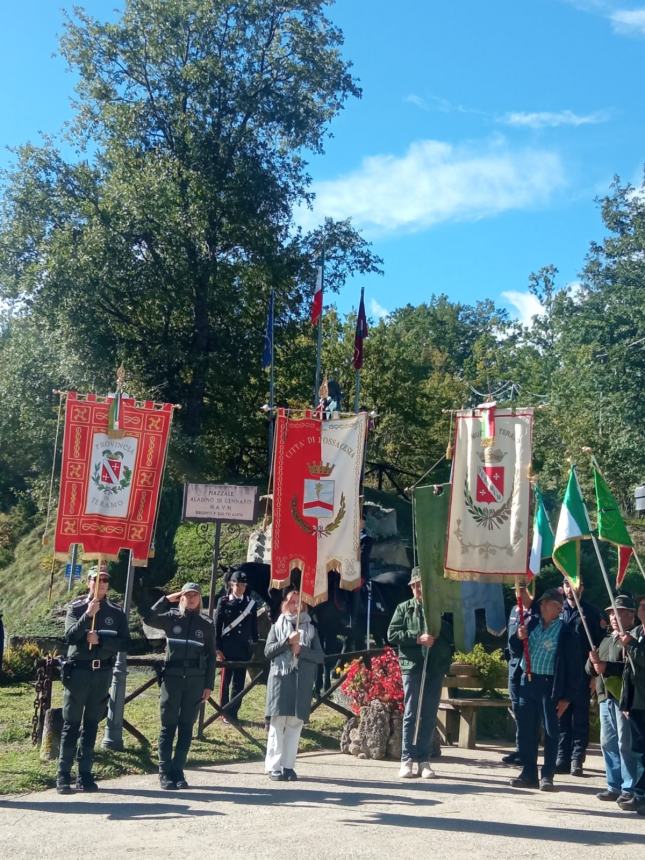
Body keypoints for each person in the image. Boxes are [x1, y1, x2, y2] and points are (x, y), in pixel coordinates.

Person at [56, 564, 129, 794]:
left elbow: (126, 643)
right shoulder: (77, 608)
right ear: (89, 582)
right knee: (71, 723)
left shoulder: (116, 613)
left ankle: (85, 774)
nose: (102, 585)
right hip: (79, 672)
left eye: (105, 581)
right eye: (97, 580)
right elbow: (69, 637)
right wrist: (88, 617)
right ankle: (63, 774)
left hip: (102, 674)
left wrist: (102, 642)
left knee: (91, 725)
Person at [144, 582, 216, 790]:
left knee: (186, 726)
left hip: (195, 680)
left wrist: (208, 685)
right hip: (172, 678)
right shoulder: (171, 617)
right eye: (187, 595)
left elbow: (211, 656)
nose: (191, 599)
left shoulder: (206, 623)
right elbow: (149, 618)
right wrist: (167, 599)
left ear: (199, 599)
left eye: (195, 595)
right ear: (181, 598)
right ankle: (164, 772)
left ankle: (178, 770)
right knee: (168, 725)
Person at [508, 587, 579, 791]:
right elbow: (514, 651)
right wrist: (517, 637)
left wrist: (566, 697)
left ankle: (547, 774)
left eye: (560, 606)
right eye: (554, 605)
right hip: (526, 681)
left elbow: (574, 669)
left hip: (550, 686)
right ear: (544, 605)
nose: (558, 609)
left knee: (550, 731)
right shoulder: (530, 626)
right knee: (526, 731)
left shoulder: (566, 632)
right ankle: (528, 773)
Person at [387, 568, 453, 780]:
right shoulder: (403, 608)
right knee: (411, 712)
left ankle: (424, 760)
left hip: (434, 666)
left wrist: (437, 633)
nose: (417, 589)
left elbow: (450, 637)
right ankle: (406, 759)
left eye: (420, 584)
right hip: (412, 666)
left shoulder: (438, 609)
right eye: (414, 585)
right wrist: (418, 638)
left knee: (429, 713)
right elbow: (392, 634)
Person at [587, 594, 643, 805]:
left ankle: (629, 787)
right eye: (611, 613)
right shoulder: (606, 639)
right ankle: (614, 784)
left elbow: (631, 668)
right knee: (607, 742)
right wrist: (593, 661)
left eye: (618, 612)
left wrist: (606, 667)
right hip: (605, 697)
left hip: (624, 696)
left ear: (630, 616)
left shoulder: (633, 639)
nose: (613, 617)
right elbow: (591, 670)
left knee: (625, 743)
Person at [264, 586, 324, 781]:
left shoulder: (311, 629)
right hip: (281, 679)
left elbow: (320, 656)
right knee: (278, 723)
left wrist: (300, 650)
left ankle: (288, 766)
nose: (296, 605)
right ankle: (274, 766)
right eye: (292, 601)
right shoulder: (277, 625)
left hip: (301, 680)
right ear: (285, 604)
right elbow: (268, 651)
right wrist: (287, 642)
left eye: (300, 602)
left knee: (295, 724)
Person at [556, 576, 605, 777]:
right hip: (561, 675)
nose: (571, 588)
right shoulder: (557, 610)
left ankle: (577, 759)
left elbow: (600, 646)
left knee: (580, 719)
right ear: (563, 587)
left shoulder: (592, 613)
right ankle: (562, 757)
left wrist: (595, 676)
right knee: (561, 717)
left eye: (575, 584)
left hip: (583, 675)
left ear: (582, 587)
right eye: (567, 584)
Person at [215, 570, 258, 722]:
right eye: (237, 584)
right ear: (231, 585)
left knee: (239, 684)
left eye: (243, 585)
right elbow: (217, 625)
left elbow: (254, 627)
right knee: (225, 682)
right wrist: (217, 647)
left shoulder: (251, 604)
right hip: (227, 648)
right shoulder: (224, 601)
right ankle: (223, 711)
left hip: (243, 649)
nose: (240, 588)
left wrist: (253, 645)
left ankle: (233, 712)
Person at [618, 595, 645, 814]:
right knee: (638, 751)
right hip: (636, 702)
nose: (643, 610)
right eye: (642, 607)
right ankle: (639, 794)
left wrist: (632, 646)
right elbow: (628, 673)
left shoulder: (634, 639)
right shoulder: (636, 634)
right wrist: (625, 702)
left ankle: (641, 795)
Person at [502, 587, 533, 765]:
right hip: (514, 665)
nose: (518, 594)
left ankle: (527, 750)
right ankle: (520, 749)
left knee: (527, 710)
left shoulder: (536, 612)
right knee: (517, 710)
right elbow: (510, 638)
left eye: (522, 590)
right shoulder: (515, 610)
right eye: (516, 590)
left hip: (528, 666)